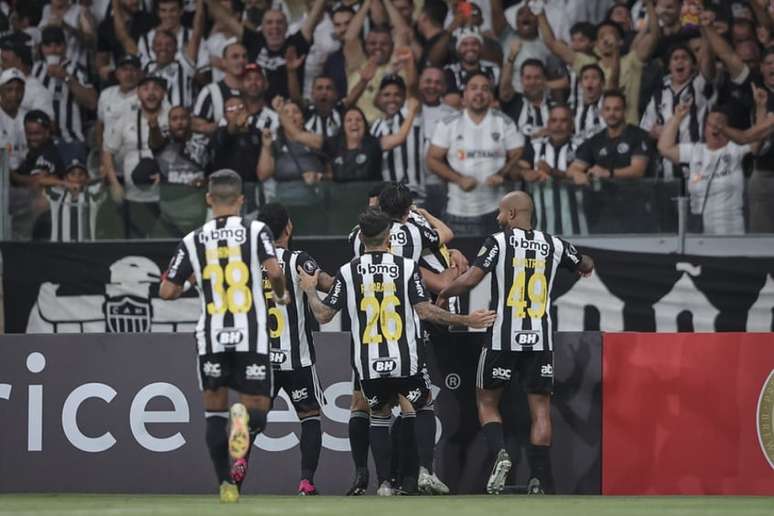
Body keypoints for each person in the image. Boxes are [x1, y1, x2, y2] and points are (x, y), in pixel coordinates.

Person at [298, 207, 496, 496]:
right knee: (423, 405)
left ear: (360, 237)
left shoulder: (348, 271)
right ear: (389, 237)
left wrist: (310, 291)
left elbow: (324, 316)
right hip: (406, 358)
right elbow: (426, 311)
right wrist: (467, 320)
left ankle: (384, 484)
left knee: (378, 414)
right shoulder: (406, 267)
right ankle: (426, 472)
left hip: (368, 363)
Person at [437, 191, 594, 495]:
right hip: (540, 338)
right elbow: (585, 262)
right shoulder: (555, 244)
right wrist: (583, 265)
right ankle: (537, 479)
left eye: (500, 212)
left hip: (502, 336)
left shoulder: (498, 242)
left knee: (486, 401)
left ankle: (501, 455)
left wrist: (445, 294)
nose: (497, 218)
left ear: (511, 214)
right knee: (541, 410)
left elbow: (470, 280)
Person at [159, 169, 289, 503]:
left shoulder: (193, 239)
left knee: (213, 412)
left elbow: (167, 291)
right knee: (258, 407)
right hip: (251, 332)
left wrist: (193, 280)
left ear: (208, 199)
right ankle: (244, 420)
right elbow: (274, 271)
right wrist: (280, 294)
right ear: (242, 199)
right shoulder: (256, 229)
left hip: (212, 334)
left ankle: (225, 485)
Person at [256, 202, 336, 495]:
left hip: (260, 359)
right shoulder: (297, 259)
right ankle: (306, 481)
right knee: (311, 417)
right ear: (288, 227)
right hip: (297, 358)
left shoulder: (248, 261)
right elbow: (330, 284)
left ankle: (234, 472)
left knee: (252, 419)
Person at [427, 72, 524, 236]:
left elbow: (517, 152)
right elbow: (432, 159)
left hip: (497, 211)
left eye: (485, 88)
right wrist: (458, 179)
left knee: (499, 261)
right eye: (473, 88)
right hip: (458, 211)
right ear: (464, 94)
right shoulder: (448, 123)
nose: (479, 92)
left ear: (491, 95)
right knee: (460, 261)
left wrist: (503, 174)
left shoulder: (504, 122)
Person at [658, 98, 773, 235]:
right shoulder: (695, 151)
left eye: (720, 124)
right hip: (699, 233)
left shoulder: (736, 148)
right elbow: (664, 148)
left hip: (731, 233)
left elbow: (756, 139)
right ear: (704, 127)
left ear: (729, 128)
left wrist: (760, 108)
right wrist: (677, 118)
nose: (715, 129)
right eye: (711, 124)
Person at [538, 0, 661, 124]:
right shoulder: (587, 64)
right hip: (596, 132)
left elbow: (654, 35)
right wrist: (539, 12)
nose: (606, 40)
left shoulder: (632, 61)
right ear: (596, 43)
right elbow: (552, 43)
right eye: (602, 36)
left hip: (628, 130)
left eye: (612, 35)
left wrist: (649, 4)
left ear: (621, 41)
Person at [203, 0, 327, 100]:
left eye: (279, 22)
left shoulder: (296, 44)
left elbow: (314, 16)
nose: (274, 26)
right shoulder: (254, 41)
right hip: (257, 108)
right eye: (269, 22)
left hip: (290, 109)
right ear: (262, 27)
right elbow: (227, 19)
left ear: (286, 26)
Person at [102, 75, 170, 238]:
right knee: (135, 246)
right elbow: (107, 152)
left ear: (164, 93)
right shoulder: (126, 119)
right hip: (133, 198)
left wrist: (169, 174)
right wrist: (114, 184)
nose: (151, 93)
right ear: (138, 93)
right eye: (146, 89)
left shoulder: (171, 117)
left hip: (165, 196)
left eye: (156, 89)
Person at [640, 42, 717, 180]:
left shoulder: (700, 86)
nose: (680, 61)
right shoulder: (658, 94)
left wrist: (706, 30)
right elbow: (645, 130)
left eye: (685, 58)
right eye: (675, 58)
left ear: (693, 65)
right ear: (669, 66)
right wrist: (653, 133)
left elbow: (707, 64)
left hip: (696, 165)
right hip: (666, 170)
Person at [521, 104, 588, 235]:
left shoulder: (582, 146)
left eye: (564, 121)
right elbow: (517, 170)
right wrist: (525, 173)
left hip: (577, 228)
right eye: (554, 120)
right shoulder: (535, 147)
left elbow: (585, 177)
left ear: (572, 124)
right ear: (548, 124)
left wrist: (551, 171)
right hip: (540, 228)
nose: (558, 125)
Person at [568, 90, 652, 185]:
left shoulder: (639, 135)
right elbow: (573, 169)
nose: (611, 113)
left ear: (625, 111)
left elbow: (637, 171)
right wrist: (577, 174)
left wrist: (608, 173)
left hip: (635, 196)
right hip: (603, 197)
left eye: (617, 109)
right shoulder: (595, 140)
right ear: (602, 112)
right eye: (607, 109)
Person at [149, 105, 210, 237]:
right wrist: (153, 127)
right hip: (168, 215)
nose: (179, 122)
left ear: (190, 120)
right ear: (169, 122)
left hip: (195, 213)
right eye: (174, 119)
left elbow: (213, 170)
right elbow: (154, 142)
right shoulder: (163, 141)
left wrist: (205, 182)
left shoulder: (203, 142)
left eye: (183, 118)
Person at [32, 25, 97, 143]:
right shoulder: (35, 70)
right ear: (41, 48)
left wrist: (66, 77)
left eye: (57, 44)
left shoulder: (76, 70)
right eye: (48, 45)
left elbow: (92, 102)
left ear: (65, 47)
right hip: (40, 142)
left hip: (70, 139)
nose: (53, 50)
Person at [370, 75, 424, 193]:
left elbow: (413, 89)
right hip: (386, 198)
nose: (392, 99)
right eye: (386, 95)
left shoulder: (412, 115)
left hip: (414, 194)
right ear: (379, 98)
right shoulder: (375, 126)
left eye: (397, 94)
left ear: (404, 97)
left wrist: (407, 63)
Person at [192, 42, 247, 136]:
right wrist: (226, 125)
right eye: (235, 57)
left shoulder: (255, 90)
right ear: (224, 62)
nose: (241, 60)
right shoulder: (210, 91)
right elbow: (196, 125)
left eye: (244, 56)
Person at [443, 28, 500, 109]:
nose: (470, 48)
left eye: (474, 44)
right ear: (458, 49)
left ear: (481, 47)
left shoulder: (493, 69)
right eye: (465, 44)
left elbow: (499, 101)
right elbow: (452, 103)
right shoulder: (450, 71)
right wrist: (484, 104)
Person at [96, 53, 141, 151]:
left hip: (135, 153)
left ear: (140, 73)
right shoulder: (105, 94)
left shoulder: (146, 96)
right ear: (117, 73)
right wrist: (102, 154)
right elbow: (100, 126)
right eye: (124, 69)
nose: (129, 74)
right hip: (109, 154)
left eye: (133, 69)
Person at [500, 58, 551, 138]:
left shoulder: (555, 107)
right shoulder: (512, 103)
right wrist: (511, 59)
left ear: (544, 79)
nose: (532, 82)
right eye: (528, 77)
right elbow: (504, 87)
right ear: (521, 80)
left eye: (537, 77)